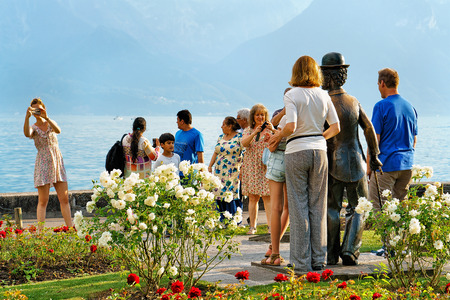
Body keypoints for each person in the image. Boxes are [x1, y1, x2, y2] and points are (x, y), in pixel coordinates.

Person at [270, 55, 340, 272]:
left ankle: (301, 263)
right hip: (319, 151)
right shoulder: (323, 95)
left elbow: (290, 125)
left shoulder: (292, 94)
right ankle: (319, 259)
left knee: (299, 207)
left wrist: (279, 135)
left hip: (296, 150)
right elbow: (336, 127)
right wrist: (319, 138)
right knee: (318, 206)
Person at [320, 52, 382, 266]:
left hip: (332, 162)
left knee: (331, 208)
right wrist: (374, 155)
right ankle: (349, 250)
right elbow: (369, 128)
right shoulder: (353, 101)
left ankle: (330, 254)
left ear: (328, 76)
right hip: (356, 161)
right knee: (360, 207)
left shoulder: (324, 103)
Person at [368, 68, 418, 210]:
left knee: (378, 209)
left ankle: (382, 233)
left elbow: (374, 140)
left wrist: (368, 168)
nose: (378, 88)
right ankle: (401, 234)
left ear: (382, 83)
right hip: (407, 166)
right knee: (401, 211)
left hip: (386, 166)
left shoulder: (381, 106)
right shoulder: (411, 107)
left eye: (378, 84)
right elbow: (414, 140)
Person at [23, 98, 73, 230]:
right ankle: (40, 233)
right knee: (43, 200)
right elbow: (27, 134)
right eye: (35, 110)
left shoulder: (51, 122)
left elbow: (58, 130)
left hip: (57, 161)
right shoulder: (33, 127)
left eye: (40, 109)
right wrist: (27, 118)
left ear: (44, 108)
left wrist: (47, 117)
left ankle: (71, 229)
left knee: (64, 199)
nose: (38, 112)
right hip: (43, 163)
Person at [262, 104, 290, 266]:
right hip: (294, 159)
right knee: (288, 208)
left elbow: (275, 141)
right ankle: (273, 248)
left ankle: (274, 252)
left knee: (276, 207)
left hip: (278, 162)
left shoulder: (285, 117)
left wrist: (273, 135)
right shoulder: (302, 116)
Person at [241, 103, 275, 234]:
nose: (260, 117)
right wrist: (255, 132)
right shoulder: (248, 130)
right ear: (253, 116)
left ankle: (271, 226)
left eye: (262, 114)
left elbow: (278, 142)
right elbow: (244, 143)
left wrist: (272, 131)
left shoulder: (270, 130)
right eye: (257, 114)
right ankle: (252, 227)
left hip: (265, 165)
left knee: (267, 196)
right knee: (253, 197)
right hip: (251, 166)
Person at [208, 117, 243, 218]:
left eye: (223, 124)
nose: (221, 127)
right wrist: (210, 166)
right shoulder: (221, 137)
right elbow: (216, 152)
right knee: (218, 193)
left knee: (230, 193)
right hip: (219, 170)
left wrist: (243, 169)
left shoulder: (239, 137)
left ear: (230, 126)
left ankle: (233, 217)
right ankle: (222, 217)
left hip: (232, 171)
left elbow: (244, 153)